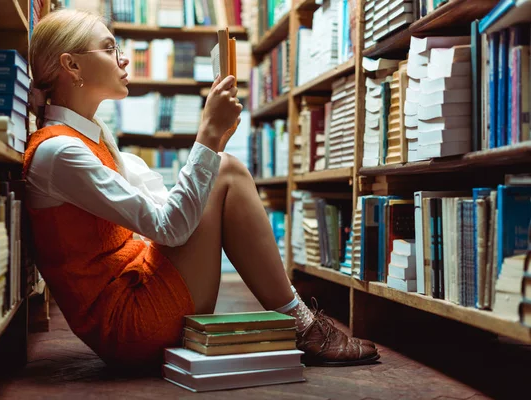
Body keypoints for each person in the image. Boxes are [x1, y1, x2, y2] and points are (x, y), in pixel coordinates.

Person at [24, 8, 380, 370]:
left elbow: (170, 208)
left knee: (222, 168)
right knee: (226, 168)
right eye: (109, 48)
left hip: (136, 292)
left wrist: (212, 145)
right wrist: (207, 140)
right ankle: (304, 326)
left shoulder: (90, 139)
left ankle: (303, 325)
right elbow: (171, 228)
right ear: (72, 65)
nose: (124, 57)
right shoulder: (60, 151)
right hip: (128, 324)